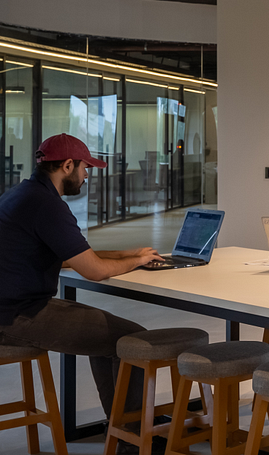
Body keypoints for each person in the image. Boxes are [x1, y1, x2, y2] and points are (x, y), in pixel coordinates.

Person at [0, 133, 164, 454]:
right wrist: (140, 261)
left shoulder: (21, 194)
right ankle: (132, 443)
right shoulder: (48, 206)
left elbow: (69, 255)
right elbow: (95, 271)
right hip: (21, 317)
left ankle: (118, 432)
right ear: (67, 165)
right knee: (133, 339)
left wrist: (127, 253)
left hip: (10, 308)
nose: (87, 175)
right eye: (86, 167)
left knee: (107, 338)